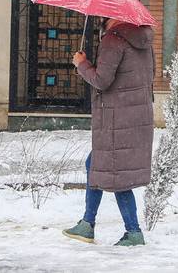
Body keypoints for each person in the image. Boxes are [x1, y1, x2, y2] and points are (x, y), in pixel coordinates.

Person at [62, 17, 155, 246]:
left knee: (115, 174)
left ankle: (133, 232)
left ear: (112, 18)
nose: (101, 21)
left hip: (116, 118)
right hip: (137, 116)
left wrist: (82, 63)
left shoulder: (113, 41)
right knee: (96, 165)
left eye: (104, 17)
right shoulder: (143, 41)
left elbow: (102, 81)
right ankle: (87, 223)